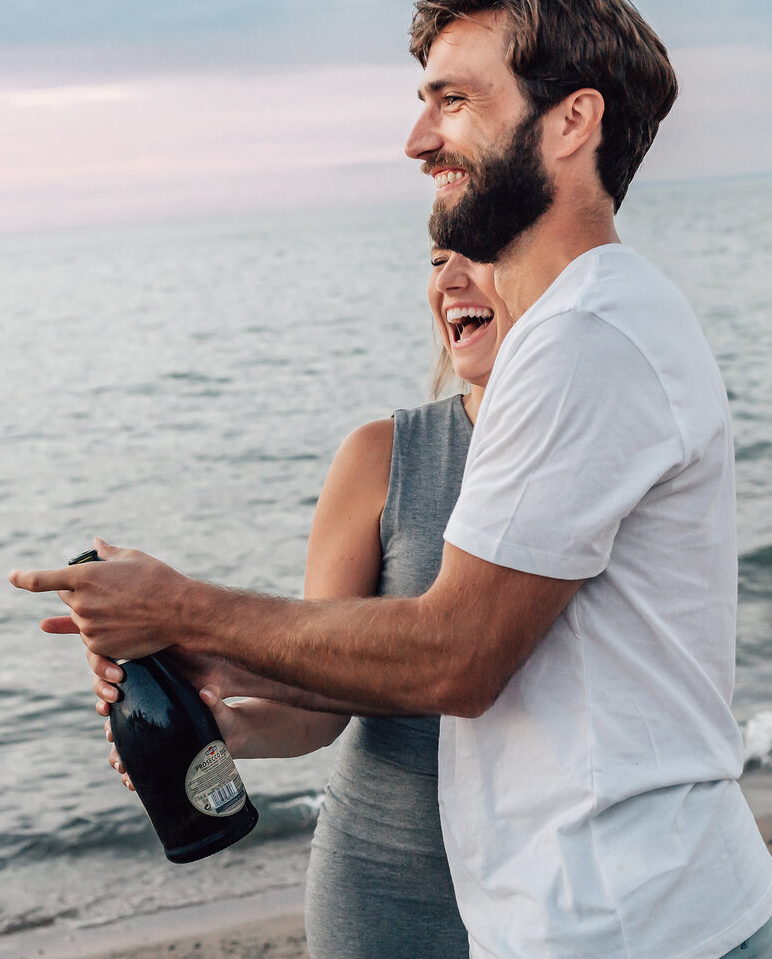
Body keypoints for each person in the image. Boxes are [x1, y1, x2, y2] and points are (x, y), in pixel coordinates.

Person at [14, 0, 772, 958]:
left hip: (624, 922)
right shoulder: (588, 324)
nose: (419, 140)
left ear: (569, 121)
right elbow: (441, 656)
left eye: (454, 101)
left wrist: (183, 607)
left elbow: (455, 652)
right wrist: (213, 658)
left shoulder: (585, 333)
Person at [100, 246, 508, 958]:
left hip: (554, 882)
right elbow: (320, 701)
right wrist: (226, 728)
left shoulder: (590, 452)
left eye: (482, 255)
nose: (448, 281)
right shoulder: (384, 457)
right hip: (382, 881)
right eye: (438, 259)